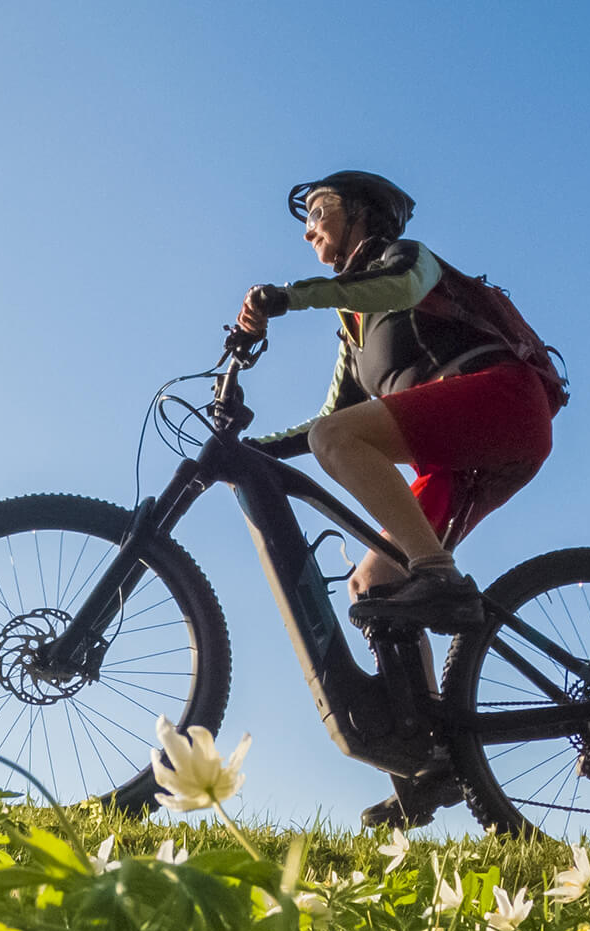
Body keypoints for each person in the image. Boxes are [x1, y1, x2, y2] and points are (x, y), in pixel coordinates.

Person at [235, 171, 557, 633]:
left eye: (319, 213)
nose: (308, 230)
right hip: (457, 463)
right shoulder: (355, 328)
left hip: (505, 399)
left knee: (339, 442)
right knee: (373, 583)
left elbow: (401, 286)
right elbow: (331, 420)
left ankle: (438, 574)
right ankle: (421, 704)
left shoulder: (407, 258)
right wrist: (254, 451)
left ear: (359, 213)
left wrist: (290, 297)